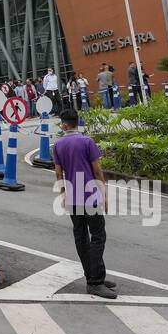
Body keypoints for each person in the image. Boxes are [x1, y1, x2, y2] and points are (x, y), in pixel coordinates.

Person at [51, 108, 117, 300]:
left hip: (72, 198)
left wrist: (63, 194)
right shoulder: (87, 142)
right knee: (98, 236)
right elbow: (97, 171)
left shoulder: (58, 145)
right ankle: (95, 282)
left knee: (81, 237)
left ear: (64, 125)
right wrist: (104, 195)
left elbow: (58, 173)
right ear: (77, 123)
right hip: (90, 196)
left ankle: (94, 277)